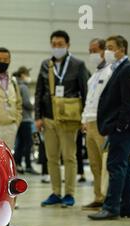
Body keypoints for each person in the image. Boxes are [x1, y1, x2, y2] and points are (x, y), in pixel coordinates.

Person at [88, 35, 130, 220]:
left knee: (115, 166)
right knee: (125, 168)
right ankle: (128, 208)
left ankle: (111, 208)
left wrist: (120, 126)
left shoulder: (127, 70)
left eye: (110, 47)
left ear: (122, 49)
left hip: (124, 129)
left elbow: (129, 103)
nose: (107, 52)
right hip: (121, 127)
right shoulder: (119, 69)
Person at [34, 30, 89, 208]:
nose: (57, 47)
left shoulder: (78, 65)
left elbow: (85, 92)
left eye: (60, 44)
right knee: (51, 158)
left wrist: (84, 118)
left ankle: (69, 193)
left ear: (68, 45)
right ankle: (56, 192)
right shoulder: (45, 65)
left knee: (69, 157)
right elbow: (39, 92)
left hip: (69, 120)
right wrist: (38, 117)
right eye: (54, 44)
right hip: (48, 119)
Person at [81, 38, 113, 210]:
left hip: (102, 123)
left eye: (95, 50)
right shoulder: (93, 75)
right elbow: (89, 100)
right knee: (94, 163)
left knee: (105, 163)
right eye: (90, 51)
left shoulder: (110, 72)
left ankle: (108, 198)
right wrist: (84, 119)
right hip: (90, 123)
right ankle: (98, 197)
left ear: (103, 52)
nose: (92, 54)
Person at [13, 66, 38, 174]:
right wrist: (35, 107)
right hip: (26, 119)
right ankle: (28, 165)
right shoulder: (23, 87)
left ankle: (17, 164)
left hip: (18, 119)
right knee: (28, 143)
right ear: (23, 74)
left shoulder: (14, 86)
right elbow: (26, 103)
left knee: (20, 144)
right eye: (27, 74)